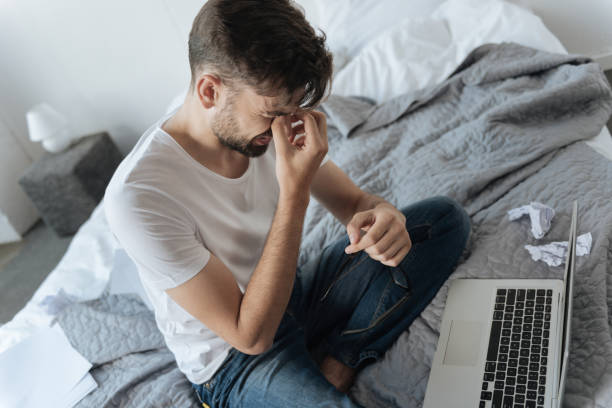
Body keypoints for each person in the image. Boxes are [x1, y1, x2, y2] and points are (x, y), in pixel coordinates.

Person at [103, 0, 471, 407]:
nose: (285, 125)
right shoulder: (140, 196)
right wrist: (294, 191)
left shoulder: (269, 121)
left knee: (442, 221)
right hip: (233, 359)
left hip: (294, 296)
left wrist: (382, 216)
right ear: (210, 91)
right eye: (273, 113)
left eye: (294, 108)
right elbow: (250, 335)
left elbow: (355, 202)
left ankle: (341, 360)